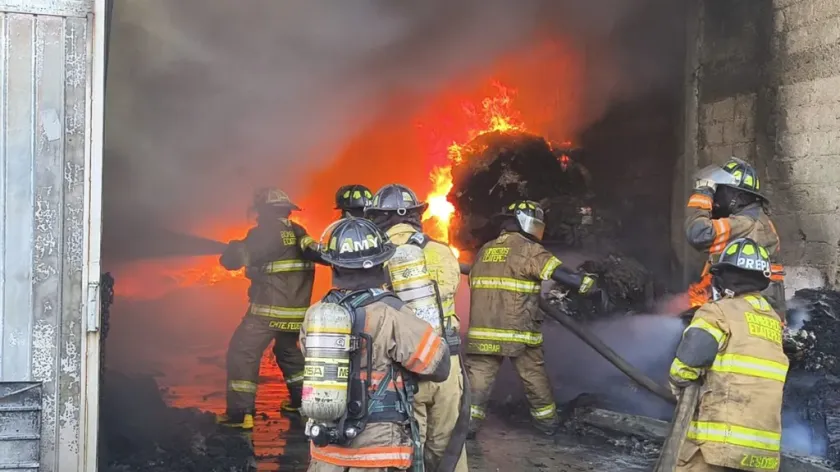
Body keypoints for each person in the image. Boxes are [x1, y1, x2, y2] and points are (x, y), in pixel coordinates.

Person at [302, 217, 451, 472]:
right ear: (382, 265)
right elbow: (439, 366)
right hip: (378, 454)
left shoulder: (316, 315)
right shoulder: (392, 313)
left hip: (326, 454)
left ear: (334, 267)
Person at [465, 200, 599, 437]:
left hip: (482, 330)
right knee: (533, 377)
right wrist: (588, 284)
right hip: (519, 331)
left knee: (478, 382)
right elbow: (562, 275)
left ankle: (467, 427)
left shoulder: (485, 250)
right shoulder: (529, 250)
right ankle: (548, 424)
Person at [366, 184, 469, 472]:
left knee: (406, 448)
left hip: (400, 367)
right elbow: (449, 293)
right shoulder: (442, 251)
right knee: (448, 446)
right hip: (446, 363)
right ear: (414, 216)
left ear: (378, 218)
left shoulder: (373, 258)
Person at [669, 237, 788, 471]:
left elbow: (687, 364)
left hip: (717, 446)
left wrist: (676, 385)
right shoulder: (773, 321)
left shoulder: (718, 312)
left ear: (724, 277)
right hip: (763, 454)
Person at [215, 187, 320, 429]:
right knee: (288, 353)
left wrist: (233, 250)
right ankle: (303, 404)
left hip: (268, 311)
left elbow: (235, 260)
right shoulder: (297, 231)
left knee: (242, 351)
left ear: (263, 210)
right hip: (295, 313)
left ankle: (241, 414)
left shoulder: (265, 232)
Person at [685, 158, 785, 315]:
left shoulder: (746, 223)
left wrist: (703, 195)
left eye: (720, 191)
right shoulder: (758, 220)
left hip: (747, 314)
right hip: (759, 310)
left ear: (736, 196)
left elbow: (698, 234)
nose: (715, 198)